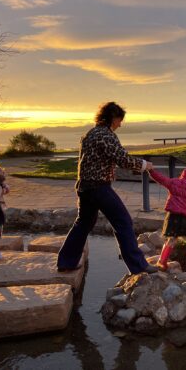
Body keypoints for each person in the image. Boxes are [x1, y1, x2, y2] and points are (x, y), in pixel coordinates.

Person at [57, 101, 158, 274]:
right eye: (120, 119)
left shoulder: (90, 134)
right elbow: (123, 159)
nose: (120, 124)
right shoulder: (106, 135)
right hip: (98, 188)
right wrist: (144, 165)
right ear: (113, 117)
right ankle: (139, 266)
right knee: (123, 221)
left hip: (84, 186)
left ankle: (66, 262)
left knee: (83, 223)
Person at [149, 167, 186, 271]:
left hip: (173, 218)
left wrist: (151, 171)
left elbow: (161, 179)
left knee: (171, 240)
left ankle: (162, 261)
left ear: (183, 174)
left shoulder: (174, 182)